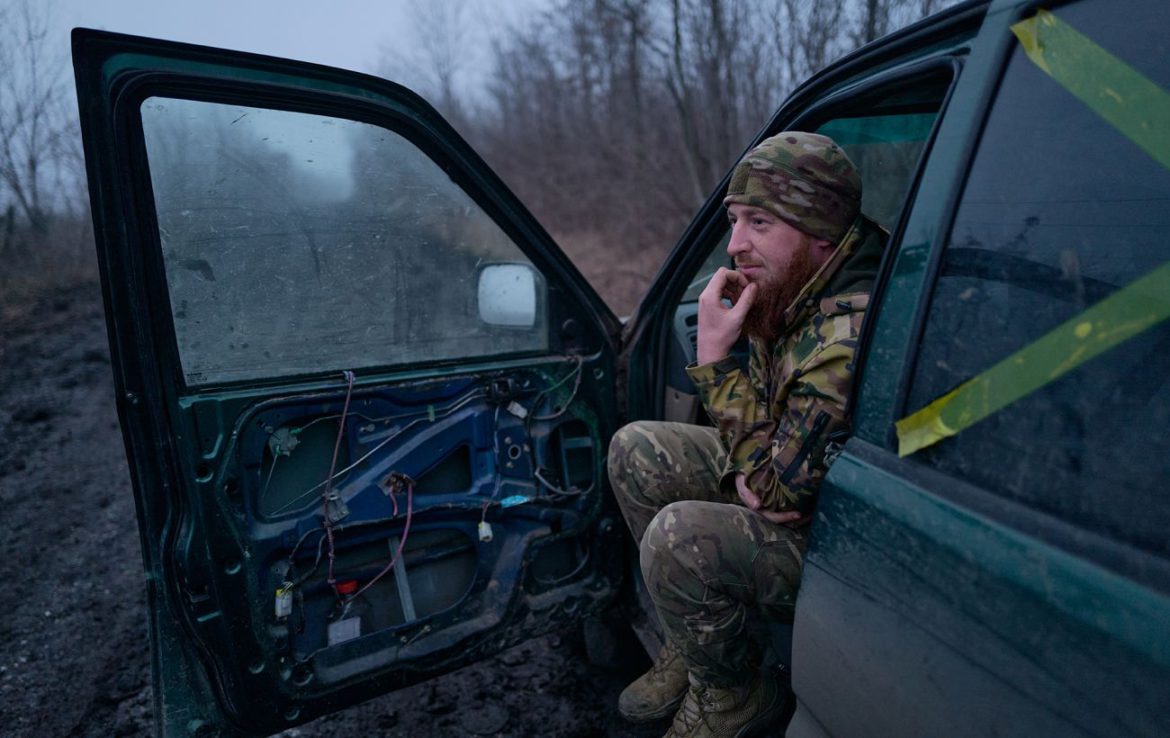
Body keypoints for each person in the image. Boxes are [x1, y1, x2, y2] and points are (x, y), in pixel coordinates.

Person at [608, 131, 887, 737]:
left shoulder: (845, 335)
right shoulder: (794, 285)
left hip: (838, 542)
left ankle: (735, 692)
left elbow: (781, 498)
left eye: (759, 222)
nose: (735, 246)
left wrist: (713, 358)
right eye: (735, 220)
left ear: (820, 229)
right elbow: (763, 453)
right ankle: (696, 640)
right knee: (637, 449)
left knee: (678, 538)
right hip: (782, 471)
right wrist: (748, 471)